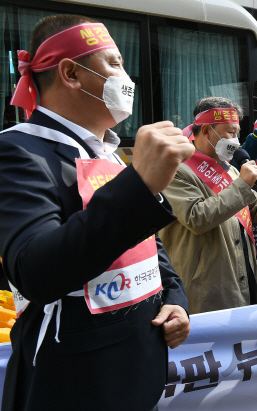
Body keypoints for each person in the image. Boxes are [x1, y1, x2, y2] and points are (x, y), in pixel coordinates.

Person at [0, 15, 191, 411]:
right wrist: (139, 185)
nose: (127, 76)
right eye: (115, 63)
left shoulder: (111, 156)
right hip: (76, 385)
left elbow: (149, 251)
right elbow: (34, 270)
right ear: (70, 72)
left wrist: (174, 298)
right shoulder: (18, 151)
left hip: (139, 375)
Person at [158, 97, 257, 313]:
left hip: (241, 276)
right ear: (206, 131)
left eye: (237, 132)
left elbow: (254, 207)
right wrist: (242, 184)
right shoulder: (176, 169)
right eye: (230, 132)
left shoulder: (229, 168)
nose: (236, 141)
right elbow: (197, 217)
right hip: (205, 286)